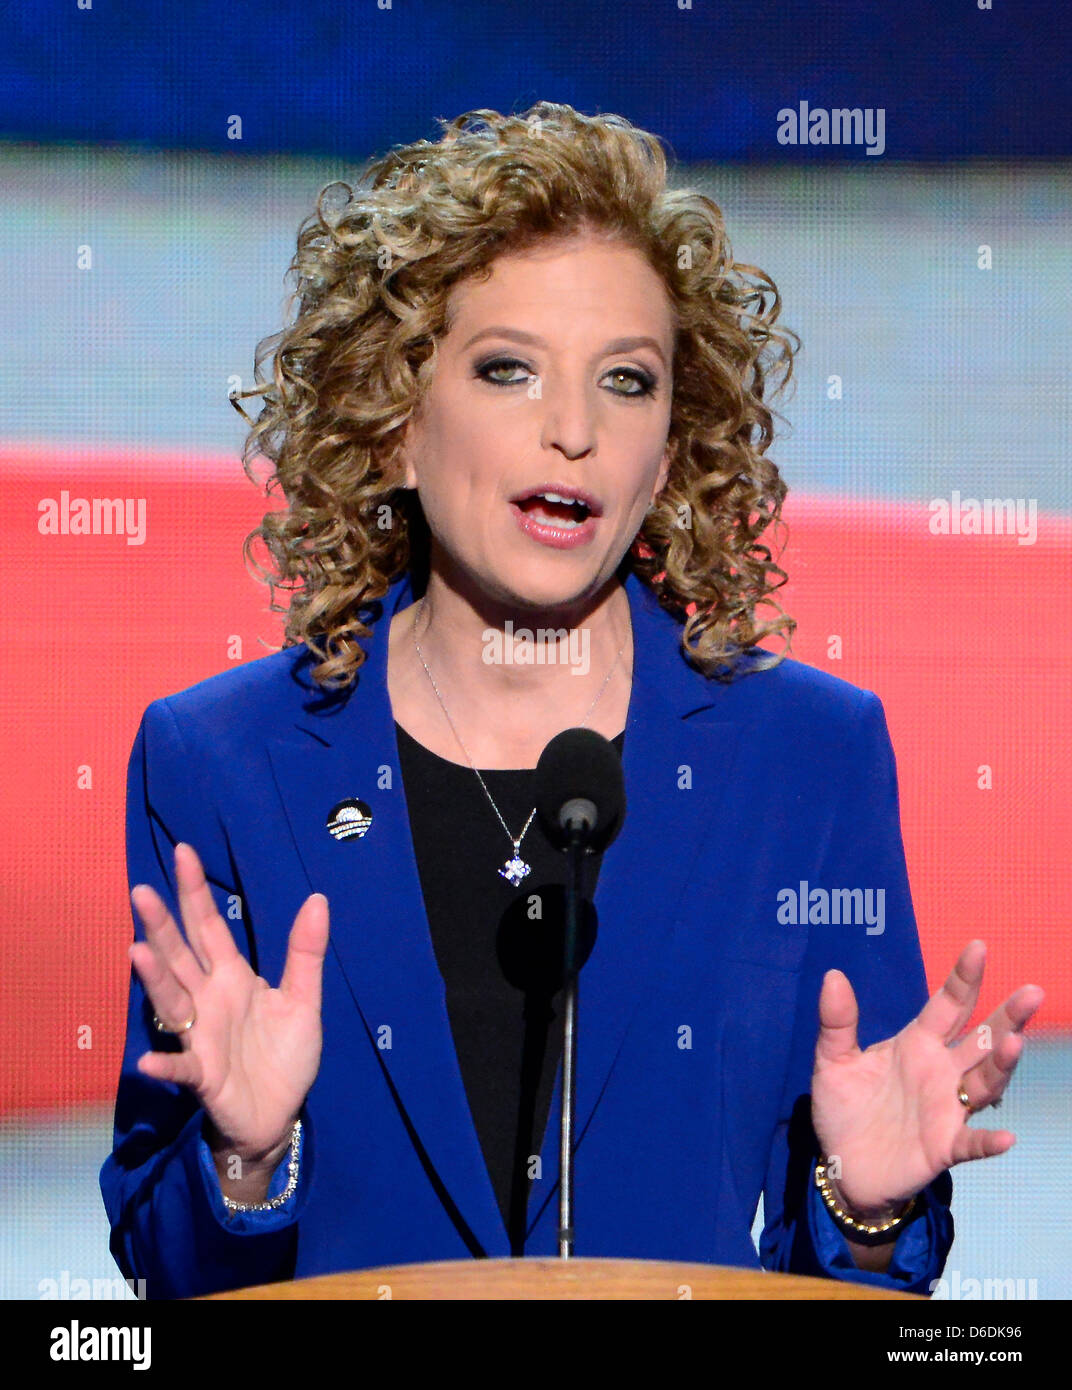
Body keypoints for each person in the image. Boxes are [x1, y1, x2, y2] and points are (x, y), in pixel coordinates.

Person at [100, 102, 1044, 1300]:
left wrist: (864, 1206)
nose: (574, 431)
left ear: (671, 447)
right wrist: (247, 1159)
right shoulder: (220, 759)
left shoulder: (804, 756)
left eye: (627, 382)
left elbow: (863, 1288)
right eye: (508, 370)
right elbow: (162, 1272)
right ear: (392, 421)